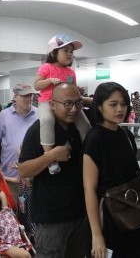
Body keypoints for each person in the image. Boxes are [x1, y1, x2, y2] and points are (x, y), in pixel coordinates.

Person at [18, 83, 91, 258]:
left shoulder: (79, 128)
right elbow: (23, 170)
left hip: (80, 213)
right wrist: (51, 156)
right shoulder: (38, 131)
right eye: (67, 104)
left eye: (78, 104)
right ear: (51, 104)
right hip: (51, 217)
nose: (73, 109)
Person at [83, 82, 140, 258]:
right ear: (99, 107)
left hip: (136, 212)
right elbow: (89, 189)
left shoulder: (126, 135)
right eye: (113, 104)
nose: (119, 109)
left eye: (123, 104)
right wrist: (96, 234)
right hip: (111, 217)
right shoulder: (95, 138)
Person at [34, 34, 91, 175]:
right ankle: (49, 157)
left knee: (85, 124)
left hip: (68, 104)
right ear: (53, 52)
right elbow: (36, 85)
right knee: (47, 120)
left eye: (71, 51)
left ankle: (89, 152)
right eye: (65, 51)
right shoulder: (46, 67)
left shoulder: (71, 72)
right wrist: (49, 81)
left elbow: (73, 89)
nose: (69, 54)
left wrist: (78, 93)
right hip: (48, 101)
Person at [0, 83, 38, 204]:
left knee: (32, 215)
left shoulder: (39, 114)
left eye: (30, 95)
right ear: (15, 96)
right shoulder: (4, 115)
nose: (29, 99)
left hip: (34, 176)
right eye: (24, 96)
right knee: (12, 212)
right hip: (9, 176)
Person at [0, 191, 31, 258]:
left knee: (24, 254)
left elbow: (2, 194)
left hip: (18, 243)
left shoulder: (5, 210)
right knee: (26, 255)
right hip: (7, 245)